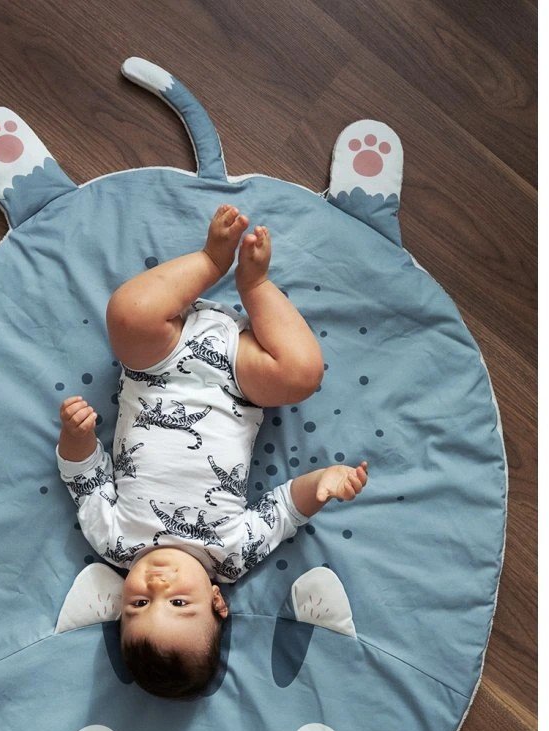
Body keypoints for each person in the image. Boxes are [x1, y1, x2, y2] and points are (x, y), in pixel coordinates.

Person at [56, 205, 368, 698]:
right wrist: (323, 484)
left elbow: (84, 479)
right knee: (304, 373)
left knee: (128, 315)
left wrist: (76, 438)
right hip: (240, 381)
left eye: (137, 605)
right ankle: (254, 286)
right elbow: (283, 511)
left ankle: (209, 261)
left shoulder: (113, 541)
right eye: (179, 603)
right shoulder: (232, 555)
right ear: (217, 602)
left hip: (158, 363)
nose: (157, 586)